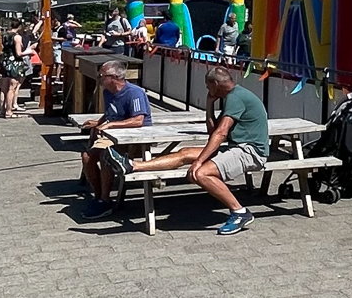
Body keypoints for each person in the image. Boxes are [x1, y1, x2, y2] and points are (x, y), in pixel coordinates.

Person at [101, 66, 265, 234]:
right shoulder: (233, 96)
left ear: (215, 83)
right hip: (235, 147)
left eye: (208, 86)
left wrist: (199, 162)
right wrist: (209, 104)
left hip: (250, 152)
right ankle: (132, 165)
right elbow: (213, 131)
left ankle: (239, 212)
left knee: (201, 173)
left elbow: (221, 133)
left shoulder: (236, 98)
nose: (207, 89)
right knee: (185, 152)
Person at [80, 59, 154, 215]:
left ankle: (105, 200)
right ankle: (99, 196)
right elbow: (111, 113)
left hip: (135, 139)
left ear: (113, 77)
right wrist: (99, 122)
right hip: (114, 136)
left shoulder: (134, 93)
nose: (98, 78)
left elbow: (138, 120)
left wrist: (110, 125)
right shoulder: (108, 92)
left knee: (107, 154)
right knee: (87, 156)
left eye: (101, 75)